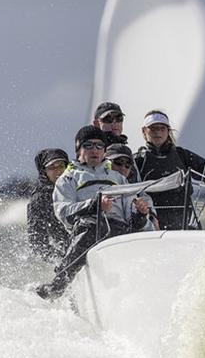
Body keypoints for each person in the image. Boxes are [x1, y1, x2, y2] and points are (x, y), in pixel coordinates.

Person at [36, 125, 151, 300]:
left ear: (104, 151)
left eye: (99, 146)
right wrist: (95, 205)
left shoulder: (119, 178)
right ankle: (59, 284)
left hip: (119, 232)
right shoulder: (68, 178)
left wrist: (141, 213)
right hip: (88, 231)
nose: (94, 150)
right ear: (78, 150)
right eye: (88, 145)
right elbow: (64, 212)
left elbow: (131, 218)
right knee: (94, 226)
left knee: (141, 233)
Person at [27, 148, 70, 263]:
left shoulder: (76, 186)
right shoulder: (39, 199)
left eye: (61, 166)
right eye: (52, 167)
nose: (58, 171)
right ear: (44, 172)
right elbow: (37, 243)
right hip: (68, 251)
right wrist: (61, 259)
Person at [105, 143, 160, 229]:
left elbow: (154, 229)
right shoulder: (98, 188)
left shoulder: (141, 195)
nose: (123, 167)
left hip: (129, 238)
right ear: (105, 163)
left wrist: (142, 216)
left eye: (128, 164)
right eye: (118, 162)